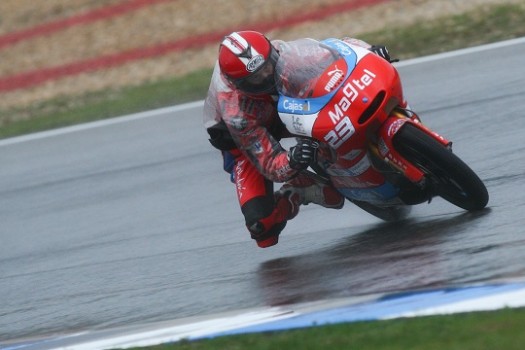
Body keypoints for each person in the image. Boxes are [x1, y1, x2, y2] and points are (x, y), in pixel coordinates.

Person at [202, 30, 393, 248]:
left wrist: (368, 51)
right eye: (256, 78)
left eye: (267, 66)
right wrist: (292, 161)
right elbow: (270, 164)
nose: (266, 76)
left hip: (282, 103)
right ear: (239, 85)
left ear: (273, 52)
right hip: (242, 138)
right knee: (262, 228)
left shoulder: (284, 54)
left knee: (324, 86)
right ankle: (299, 190)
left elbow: (336, 48)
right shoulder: (236, 112)